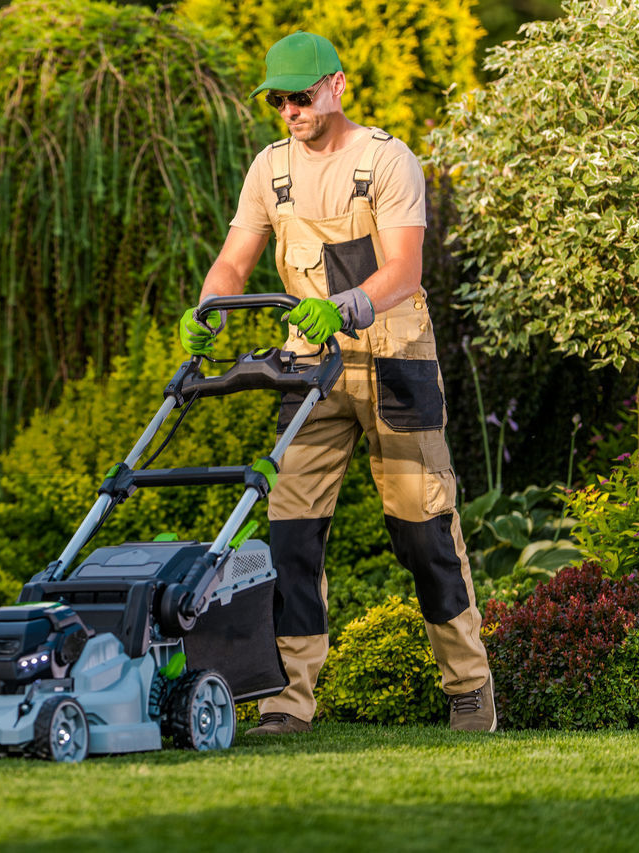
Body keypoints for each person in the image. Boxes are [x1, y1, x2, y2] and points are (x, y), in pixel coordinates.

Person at [179, 31, 496, 734]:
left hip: (392, 358)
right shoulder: (270, 169)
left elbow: (404, 272)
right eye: (280, 100)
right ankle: (288, 700)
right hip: (309, 363)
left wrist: (345, 305)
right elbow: (235, 261)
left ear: (337, 86)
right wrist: (209, 311)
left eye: (302, 96)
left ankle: (470, 687)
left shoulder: (386, 159)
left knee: (423, 532)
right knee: (290, 531)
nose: (291, 110)